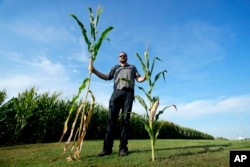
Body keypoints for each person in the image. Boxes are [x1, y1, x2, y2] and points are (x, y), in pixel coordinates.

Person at [89, 51, 147, 156]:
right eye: (120, 56)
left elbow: (139, 79)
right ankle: (107, 149)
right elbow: (107, 77)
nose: (122, 57)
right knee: (111, 121)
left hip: (128, 94)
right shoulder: (115, 68)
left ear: (127, 57)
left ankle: (123, 149)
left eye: (124, 55)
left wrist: (145, 77)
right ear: (118, 58)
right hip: (116, 93)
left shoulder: (132, 67)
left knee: (126, 121)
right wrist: (94, 71)